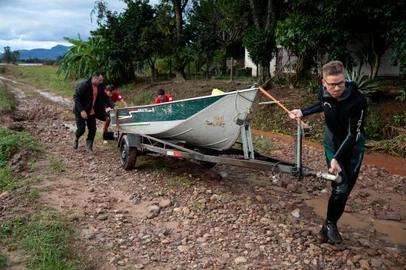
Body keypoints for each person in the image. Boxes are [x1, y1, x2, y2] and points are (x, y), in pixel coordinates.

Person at [288, 61, 367, 244]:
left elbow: (352, 134)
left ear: (345, 79)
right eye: (332, 84)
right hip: (332, 144)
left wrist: (337, 159)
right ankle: (331, 224)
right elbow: (323, 104)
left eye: (341, 83)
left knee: (345, 191)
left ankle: (326, 228)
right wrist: (302, 112)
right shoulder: (323, 93)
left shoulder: (358, 101)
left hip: (353, 146)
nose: (338, 88)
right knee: (339, 187)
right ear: (324, 83)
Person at [73, 71, 118, 153]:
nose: (101, 82)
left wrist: (113, 105)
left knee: (93, 129)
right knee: (81, 129)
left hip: (91, 111)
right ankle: (76, 137)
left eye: (101, 81)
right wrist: (82, 111)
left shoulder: (100, 86)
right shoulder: (83, 85)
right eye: (99, 80)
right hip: (81, 110)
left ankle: (89, 147)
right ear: (94, 78)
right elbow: (76, 98)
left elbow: (105, 97)